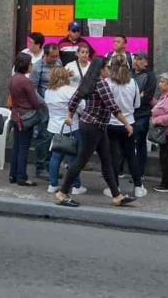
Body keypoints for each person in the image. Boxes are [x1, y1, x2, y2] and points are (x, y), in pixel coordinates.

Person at [54, 56, 136, 208]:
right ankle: (62, 193)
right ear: (100, 69)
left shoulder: (88, 82)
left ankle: (117, 196)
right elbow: (113, 107)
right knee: (81, 160)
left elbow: (74, 100)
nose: (109, 71)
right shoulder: (101, 85)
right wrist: (127, 125)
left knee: (106, 160)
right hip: (94, 128)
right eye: (107, 68)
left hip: (94, 126)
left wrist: (70, 115)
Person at [106, 54, 146, 197]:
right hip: (129, 122)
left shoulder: (108, 83)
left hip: (111, 123)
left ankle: (114, 187)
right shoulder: (133, 83)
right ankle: (138, 187)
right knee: (131, 155)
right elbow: (137, 104)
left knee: (113, 156)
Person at [45, 66, 86, 195]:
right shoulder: (70, 90)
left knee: (55, 156)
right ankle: (76, 185)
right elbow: (82, 106)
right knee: (72, 158)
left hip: (54, 127)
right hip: (70, 126)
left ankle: (53, 184)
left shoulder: (48, 92)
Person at [8, 52, 44, 186]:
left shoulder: (13, 78)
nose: (32, 65)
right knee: (24, 147)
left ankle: (13, 174)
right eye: (30, 63)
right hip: (26, 116)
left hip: (16, 115)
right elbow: (34, 102)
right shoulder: (26, 81)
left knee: (16, 146)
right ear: (25, 65)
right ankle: (22, 177)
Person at [29, 43, 62, 179]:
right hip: (44, 107)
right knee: (44, 136)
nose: (55, 59)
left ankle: (51, 166)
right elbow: (33, 89)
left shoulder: (59, 63)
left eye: (56, 56)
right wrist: (44, 102)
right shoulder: (37, 68)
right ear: (45, 55)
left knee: (55, 137)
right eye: (52, 57)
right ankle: (40, 166)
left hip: (57, 106)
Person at [132, 50, 157, 175]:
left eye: (138, 58)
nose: (135, 61)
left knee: (140, 143)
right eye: (135, 58)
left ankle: (139, 173)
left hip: (142, 114)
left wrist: (135, 99)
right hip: (129, 115)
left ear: (145, 62)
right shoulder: (130, 74)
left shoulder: (150, 76)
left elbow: (146, 96)